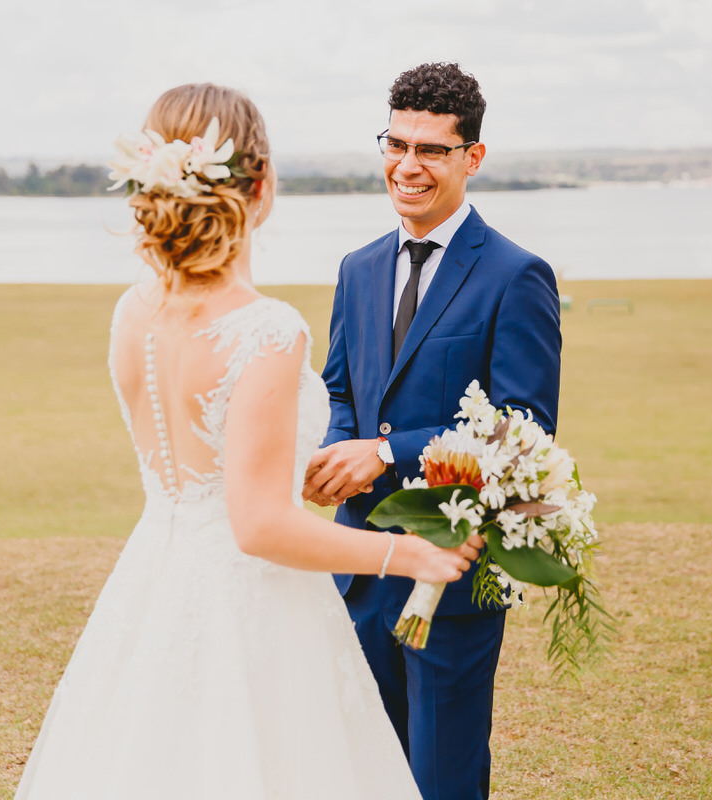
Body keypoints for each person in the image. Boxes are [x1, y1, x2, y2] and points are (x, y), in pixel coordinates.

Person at [13, 82, 483, 800]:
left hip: (154, 582)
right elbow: (257, 525)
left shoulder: (133, 313)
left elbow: (206, 468)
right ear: (259, 185)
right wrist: (408, 553)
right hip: (250, 605)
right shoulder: (266, 329)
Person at [303, 63, 563, 800]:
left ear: (471, 158)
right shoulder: (356, 269)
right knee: (363, 772)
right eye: (396, 143)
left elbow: (524, 430)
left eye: (431, 150)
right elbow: (342, 391)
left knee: (442, 778)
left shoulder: (516, 275)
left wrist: (385, 451)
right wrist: (335, 456)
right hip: (359, 563)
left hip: (453, 573)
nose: (407, 165)